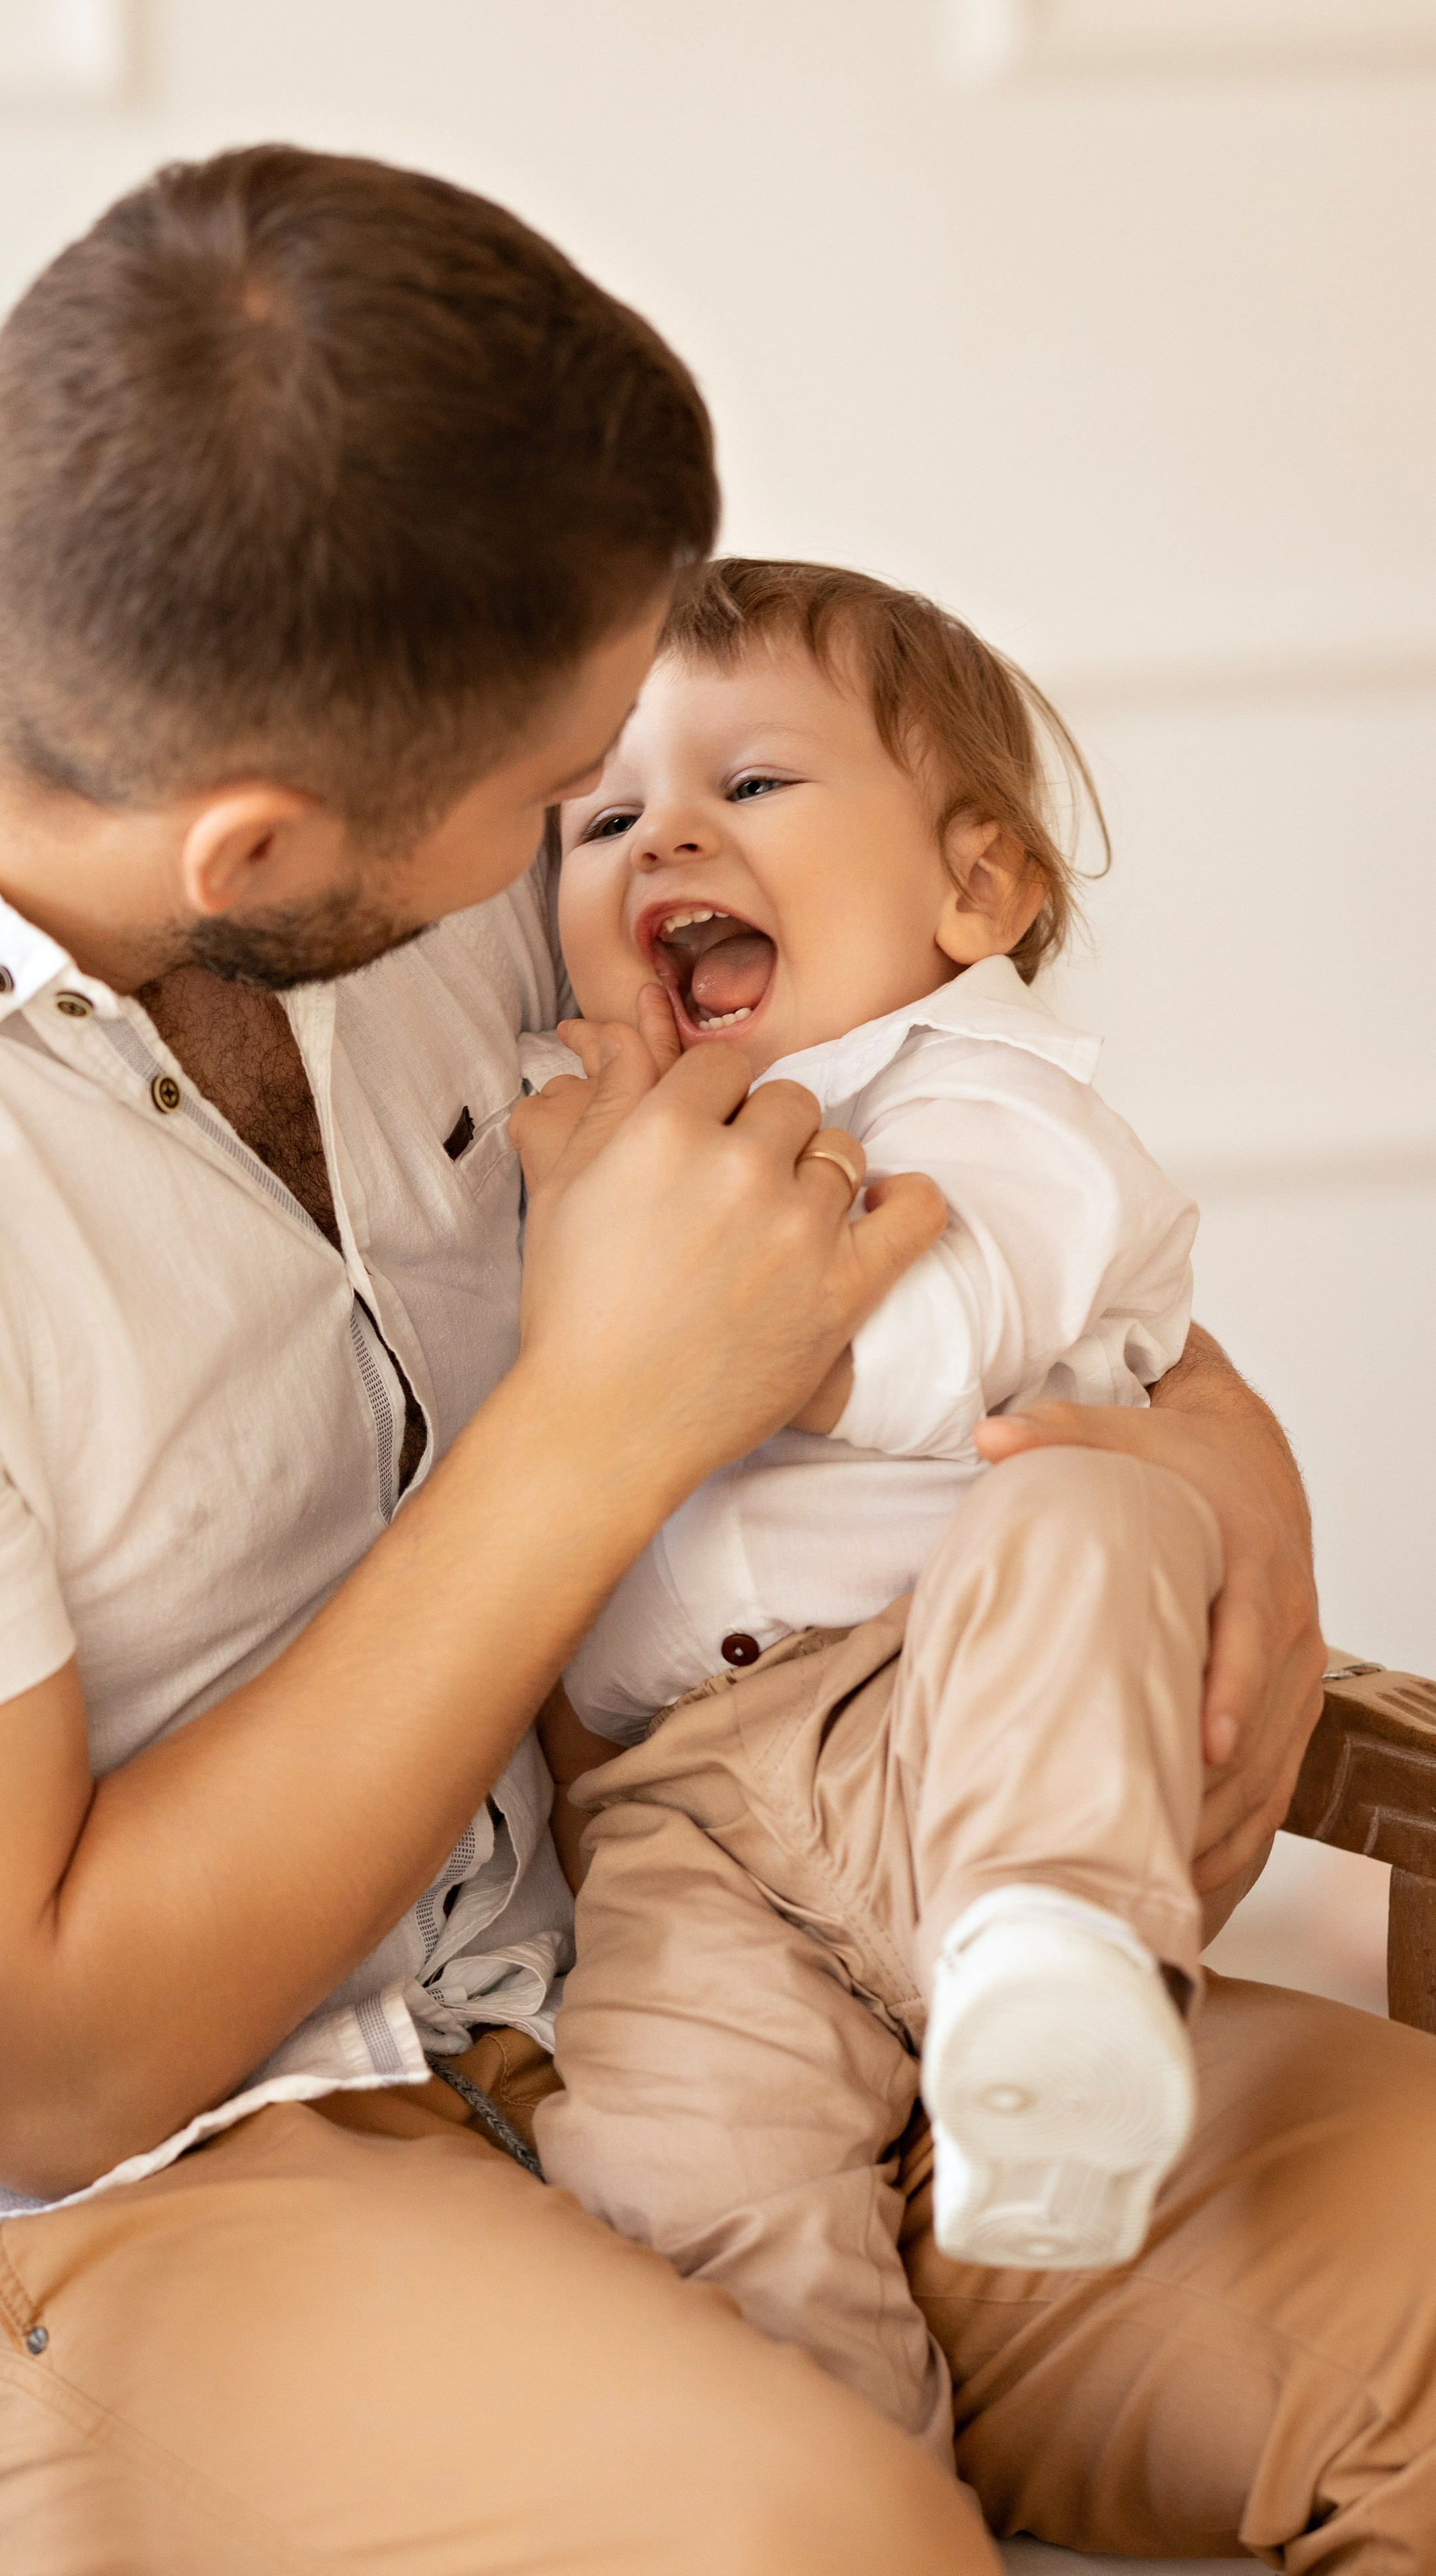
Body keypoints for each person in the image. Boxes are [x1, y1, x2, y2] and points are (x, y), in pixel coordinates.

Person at [0, 140, 1413, 2576]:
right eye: (558, 800)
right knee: (809, 2549)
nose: (603, 847)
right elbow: (52, 2049)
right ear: (260, 851)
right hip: (134, 2188)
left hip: (689, 1929)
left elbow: (903, 1142)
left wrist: (1206, 1438)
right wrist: (600, 1428)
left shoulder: (365, 735)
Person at [524, 554, 1213, 2442]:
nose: (668, 836)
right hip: (688, 1815)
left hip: (955, 1715)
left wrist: (709, 1303)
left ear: (975, 889)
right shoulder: (582, 1114)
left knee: (1089, 1518)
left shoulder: (988, 1093)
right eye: (604, 818)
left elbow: (964, 1306)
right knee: (679, 2187)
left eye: (751, 788)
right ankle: (832, 2469)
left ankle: (1053, 1982)